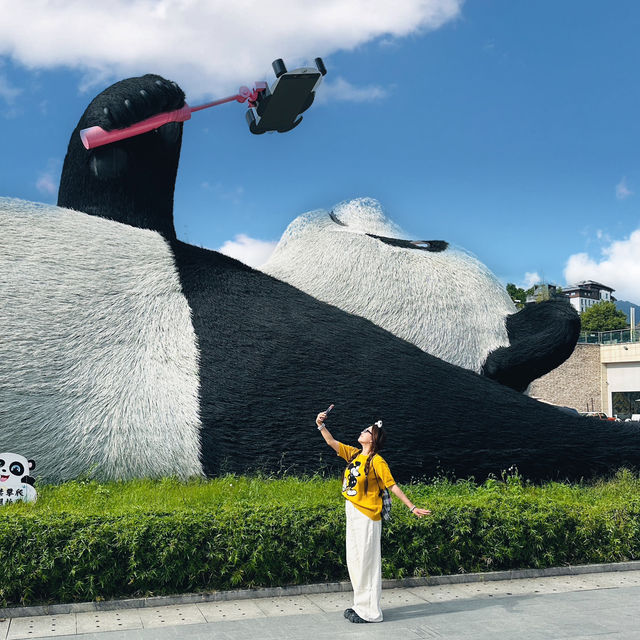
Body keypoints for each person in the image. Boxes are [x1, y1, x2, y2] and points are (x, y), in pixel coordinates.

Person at [315, 408, 431, 623]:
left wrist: (412, 507)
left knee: (367, 563)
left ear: (373, 439)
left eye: (366, 431)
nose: (362, 432)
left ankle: (370, 612)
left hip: (368, 516)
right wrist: (321, 424)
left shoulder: (378, 462)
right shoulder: (355, 454)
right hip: (353, 511)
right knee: (356, 560)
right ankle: (360, 605)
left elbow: (392, 486)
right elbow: (332, 442)